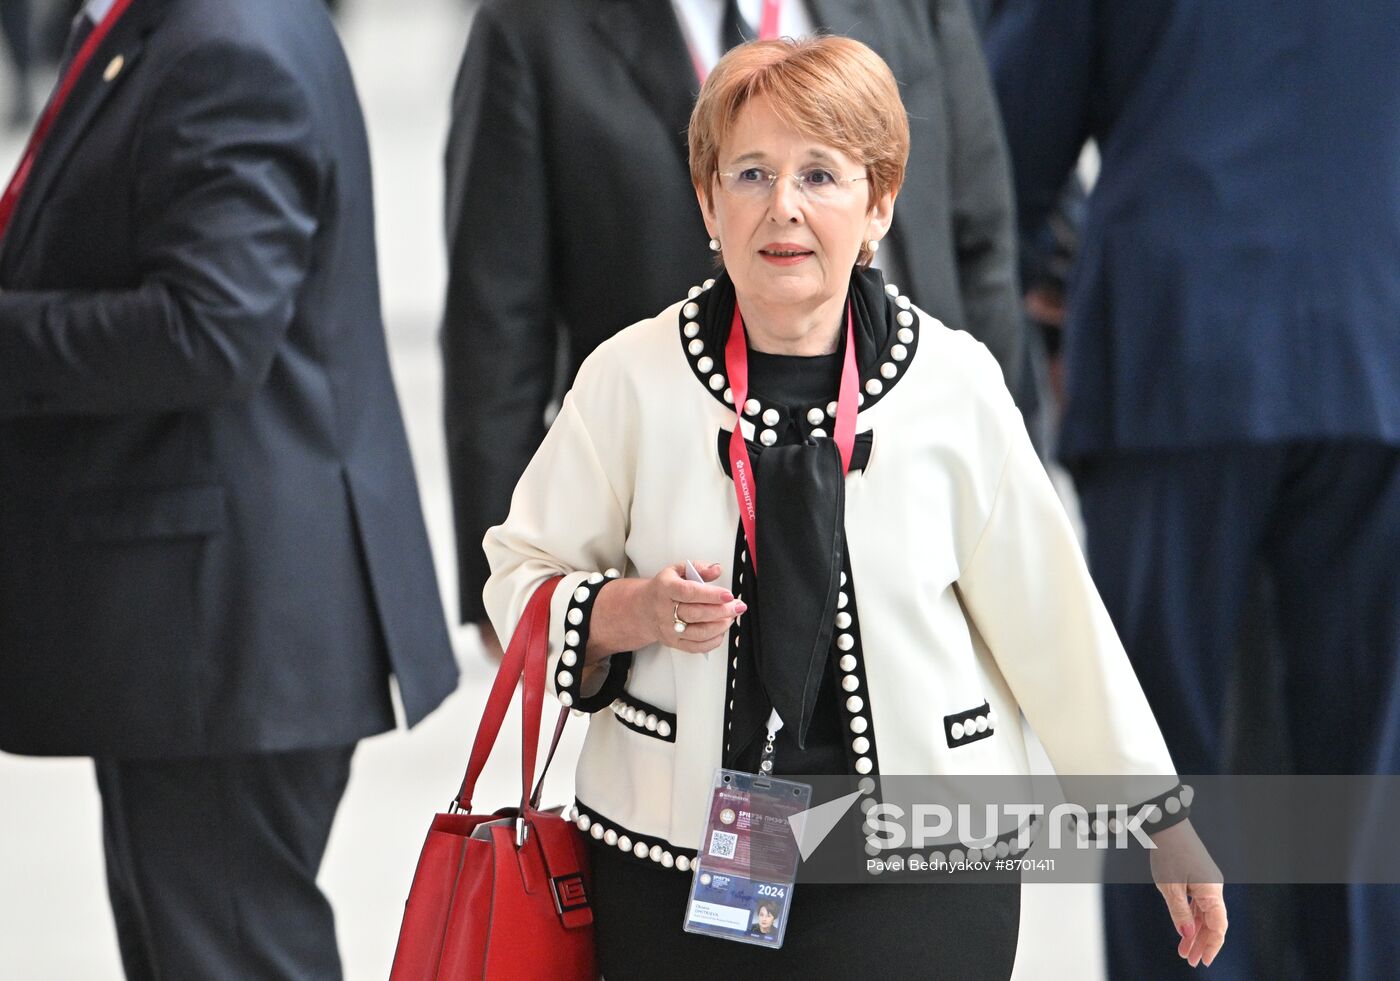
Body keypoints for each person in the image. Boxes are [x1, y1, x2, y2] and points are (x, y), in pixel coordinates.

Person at [483, 35, 1226, 979]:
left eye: (822, 175)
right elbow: (520, 577)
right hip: (673, 860)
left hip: (925, 866)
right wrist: (630, 611)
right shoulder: (630, 378)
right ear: (709, 201)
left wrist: (1157, 817)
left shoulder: (955, 384)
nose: (783, 206)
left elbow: (1055, 623)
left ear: (878, 204)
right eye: (750, 172)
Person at [0, 0, 459, 976]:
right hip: (197, 624)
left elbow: (210, 329)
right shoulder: (171, 26)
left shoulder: (227, 43)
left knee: (226, 951)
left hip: (223, 629)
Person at [987, 2, 1400, 978]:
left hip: (1174, 351)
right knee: (1361, 772)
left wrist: (1054, 268)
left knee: (1153, 763)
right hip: (1372, 345)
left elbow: (1004, 146)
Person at [445, 0, 1027, 657]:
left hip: (898, 495)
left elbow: (981, 238)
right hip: (676, 534)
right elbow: (494, 316)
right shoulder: (531, 25)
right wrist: (505, 591)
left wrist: (998, 463)